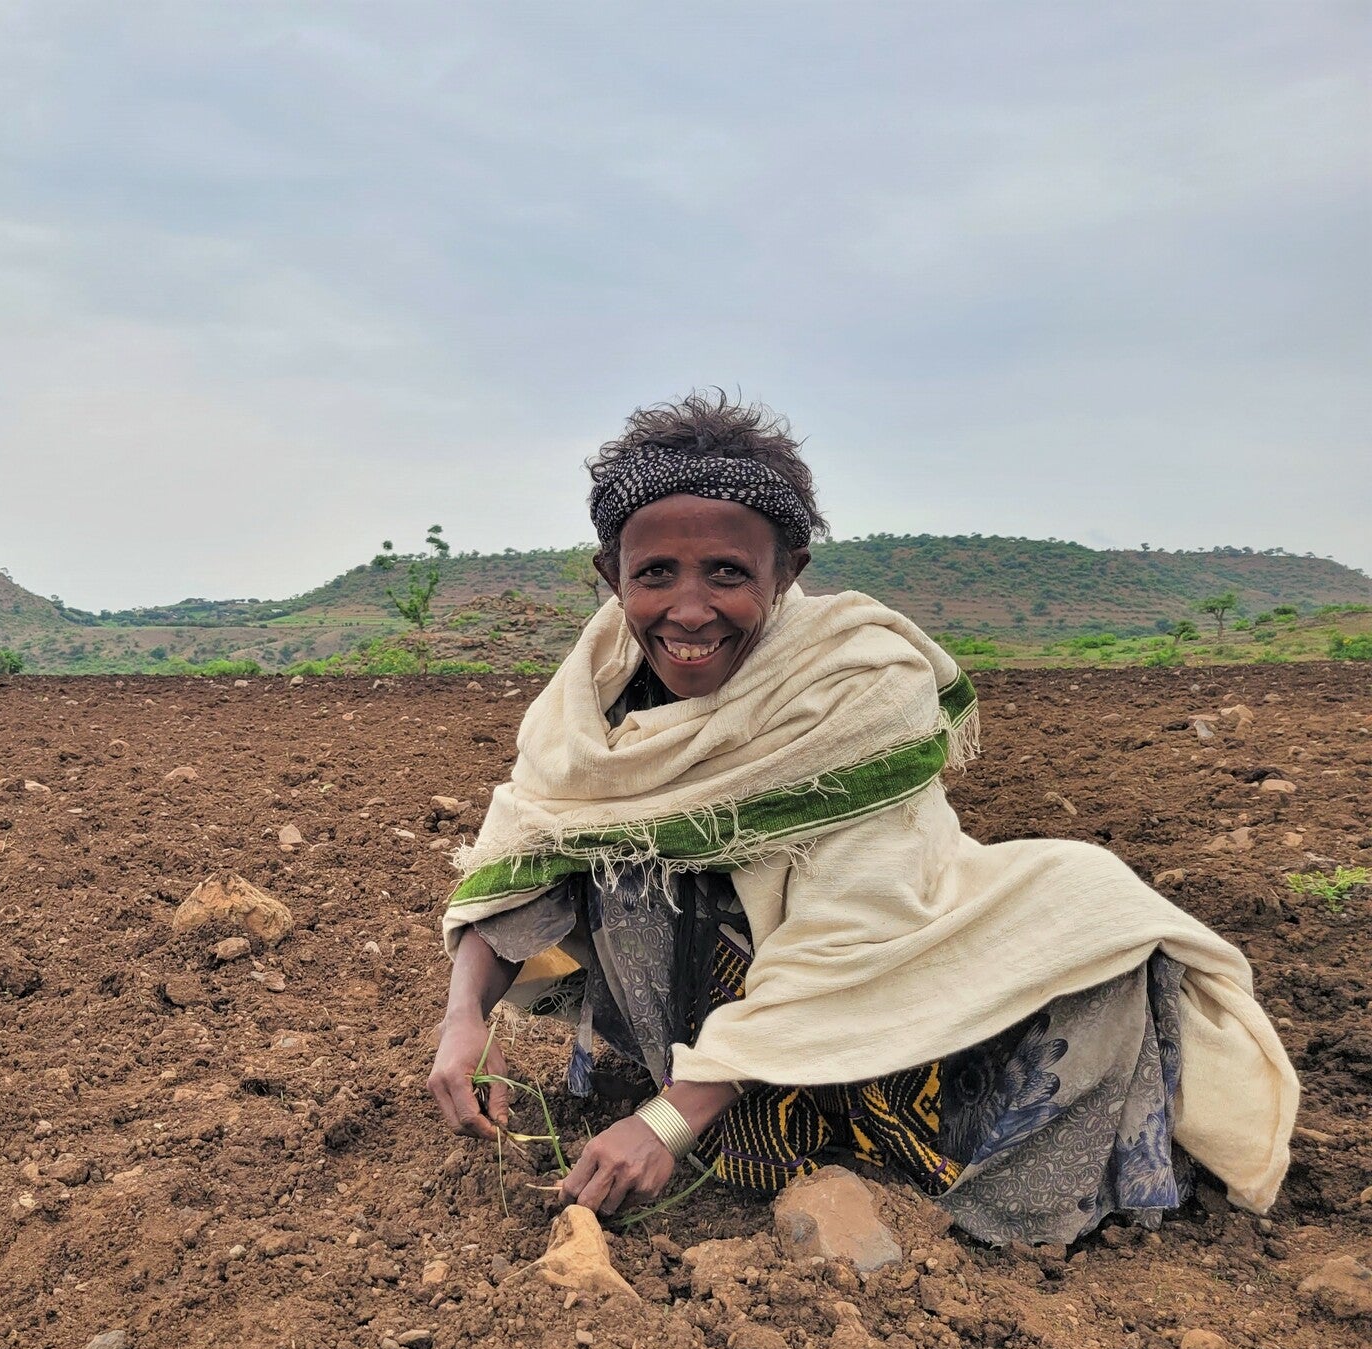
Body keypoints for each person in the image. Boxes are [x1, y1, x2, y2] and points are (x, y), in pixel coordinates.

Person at [427, 391, 1297, 1244]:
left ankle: (834, 1142)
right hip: (705, 1022)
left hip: (866, 972)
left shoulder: (856, 685)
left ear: (787, 572)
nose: (689, 610)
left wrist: (666, 1122)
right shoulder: (591, 698)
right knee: (621, 867)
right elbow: (529, 848)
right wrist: (466, 1015)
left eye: (728, 573)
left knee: (1089, 921)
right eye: (655, 573)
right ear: (612, 576)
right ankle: (731, 1110)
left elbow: (852, 926)